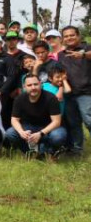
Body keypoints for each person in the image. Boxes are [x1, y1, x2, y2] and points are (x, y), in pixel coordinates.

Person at [5, 74, 66, 159]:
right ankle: (29, 152)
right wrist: (21, 132)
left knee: (58, 136)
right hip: (29, 127)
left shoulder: (51, 98)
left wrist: (40, 133)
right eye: (29, 85)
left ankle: (51, 153)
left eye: (35, 84)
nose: (33, 87)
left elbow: (56, 122)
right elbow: (14, 120)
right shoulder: (19, 99)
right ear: (24, 87)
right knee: (10, 133)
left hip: (49, 128)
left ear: (41, 84)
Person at [57, 25, 91, 156]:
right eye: (66, 36)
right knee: (74, 123)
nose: (69, 38)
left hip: (86, 92)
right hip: (69, 94)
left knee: (88, 120)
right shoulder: (61, 54)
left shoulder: (87, 48)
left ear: (78, 36)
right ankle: (77, 150)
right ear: (63, 39)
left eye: (72, 35)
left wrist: (82, 54)